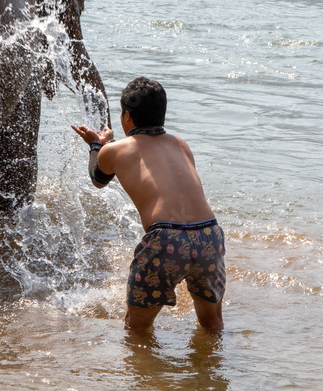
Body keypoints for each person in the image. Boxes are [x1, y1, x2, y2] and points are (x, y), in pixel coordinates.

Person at [71, 77, 225, 332]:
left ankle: (148, 372)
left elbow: (98, 178)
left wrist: (97, 145)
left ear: (127, 117)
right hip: (208, 233)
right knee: (212, 323)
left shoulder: (115, 150)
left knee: (136, 328)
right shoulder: (181, 143)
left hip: (166, 239)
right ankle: (210, 369)